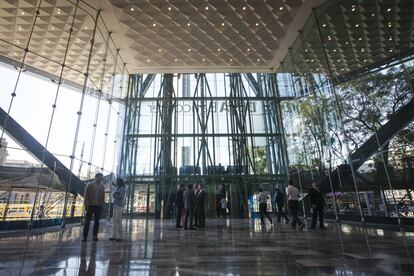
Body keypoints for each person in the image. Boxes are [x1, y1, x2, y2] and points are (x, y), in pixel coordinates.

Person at [82, 173, 105, 242]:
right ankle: (84, 237)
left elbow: (103, 196)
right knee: (87, 222)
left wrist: (102, 204)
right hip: (90, 205)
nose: (101, 179)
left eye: (101, 178)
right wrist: (85, 205)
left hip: (98, 206)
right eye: (100, 178)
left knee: (97, 222)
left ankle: (95, 236)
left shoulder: (102, 186)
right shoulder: (90, 185)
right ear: (96, 177)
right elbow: (86, 196)